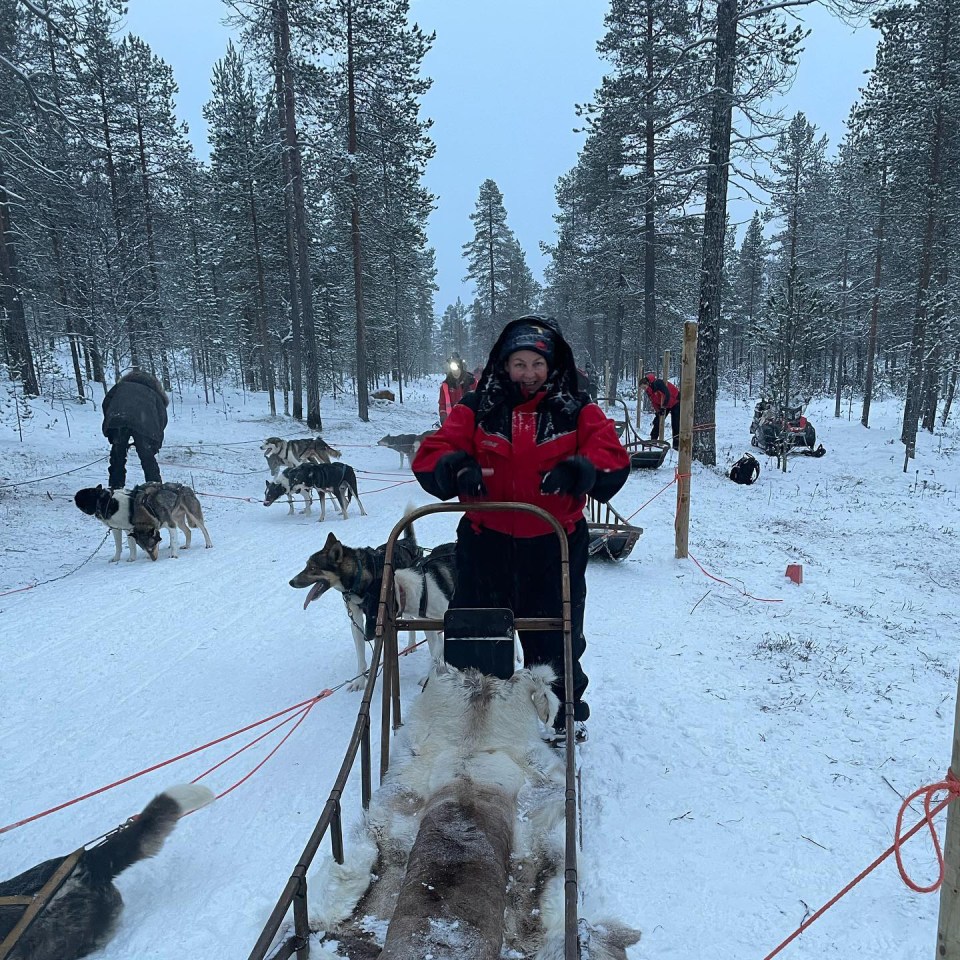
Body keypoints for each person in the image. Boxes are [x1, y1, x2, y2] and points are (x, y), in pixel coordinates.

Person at [413, 316, 630, 743]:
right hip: (486, 542)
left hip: (554, 545)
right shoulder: (478, 407)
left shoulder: (576, 409)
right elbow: (432, 453)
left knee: (556, 633)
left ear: (552, 365)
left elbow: (612, 458)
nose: (528, 373)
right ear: (504, 365)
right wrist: (456, 467)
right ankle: (479, 715)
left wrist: (581, 470)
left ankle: (561, 716)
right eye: (519, 363)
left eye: (537, 363)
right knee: (478, 633)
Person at [101, 368, 169, 489]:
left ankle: (115, 487)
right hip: (144, 422)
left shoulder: (120, 387)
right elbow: (162, 417)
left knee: (117, 454)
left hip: (118, 418)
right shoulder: (154, 393)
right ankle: (155, 488)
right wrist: (154, 442)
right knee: (147, 456)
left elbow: (107, 403)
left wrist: (111, 425)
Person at [643, 371, 681, 450]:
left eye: (643, 387)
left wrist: (663, 407)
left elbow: (667, 394)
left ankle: (676, 446)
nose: (643, 389)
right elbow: (653, 401)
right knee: (657, 421)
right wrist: (658, 411)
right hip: (664, 404)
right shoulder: (648, 390)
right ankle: (653, 440)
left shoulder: (658, 383)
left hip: (675, 402)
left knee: (676, 424)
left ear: (647, 383)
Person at [437, 353, 476, 425]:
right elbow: (442, 404)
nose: (455, 372)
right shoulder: (446, 385)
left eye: (457, 369)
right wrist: (443, 417)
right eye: (453, 370)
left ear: (461, 367)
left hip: (469, 422)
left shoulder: (471, 382)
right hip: (452, 422)